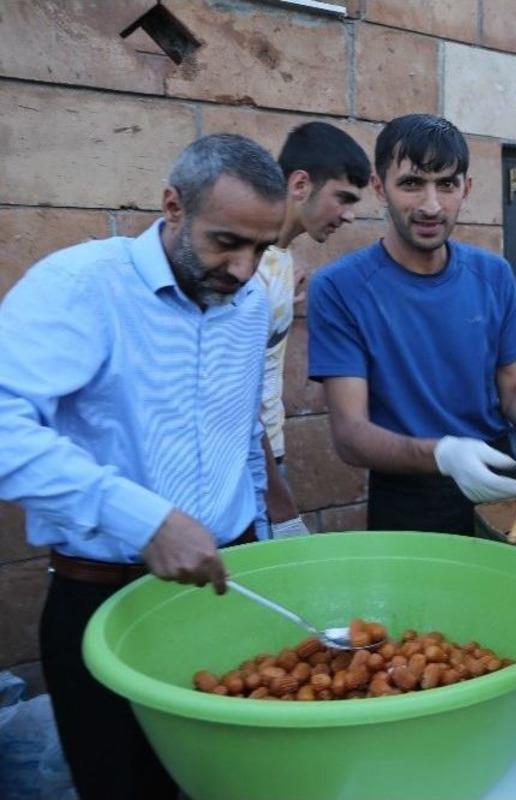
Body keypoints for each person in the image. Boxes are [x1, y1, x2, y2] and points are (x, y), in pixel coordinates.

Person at [0, 134, 286, 799]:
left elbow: (238, 435)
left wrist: (265, 544)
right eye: (226, 243)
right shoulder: (80, 285)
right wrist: (142, 517)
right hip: (105, 600)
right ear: (172, 206)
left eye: (261, 249)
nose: (244, 270)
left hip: (227, 595)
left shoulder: (249, 306)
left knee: (236, 783)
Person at [306, 114, 516, 535]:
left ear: (465, 189)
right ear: (380, 189)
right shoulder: (340, 288)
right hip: (406, 494)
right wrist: (444, 455)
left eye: (447, 184)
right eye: (412, 183)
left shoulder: (494, 274)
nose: (431, 205)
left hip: (498, 475)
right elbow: (350, 433)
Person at [255, 121, 371, 538]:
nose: (350, 215)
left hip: (267, 459)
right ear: (300, 183)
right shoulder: (250, 270)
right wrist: (281, 507)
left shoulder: (278, 259)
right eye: (342, 198)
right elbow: (236, 399)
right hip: (253, 467)